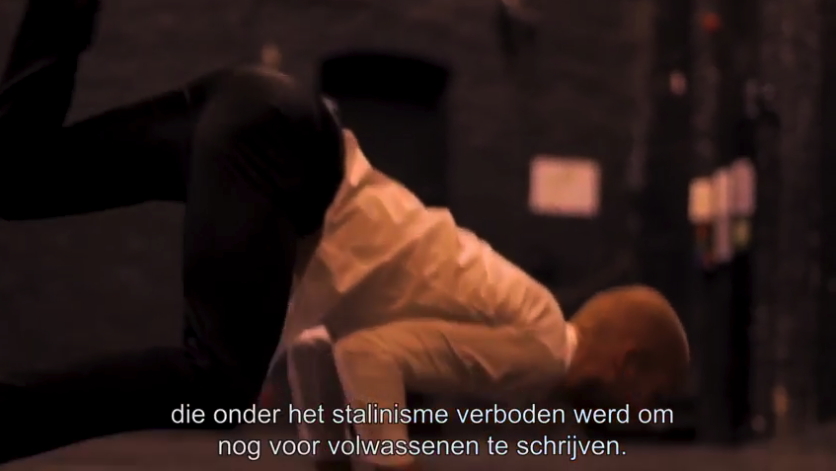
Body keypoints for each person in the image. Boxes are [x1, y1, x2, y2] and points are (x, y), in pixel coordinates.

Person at [0, 1, 690, 470]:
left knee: (21, 178)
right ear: (627, 363)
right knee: (217, 384)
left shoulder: (520, 315)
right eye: (649, 400)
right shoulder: (541, 354)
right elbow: (372, 353)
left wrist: (329, 454)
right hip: (281, 150)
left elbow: (323, 344)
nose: (639, 415)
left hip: (254, 111)